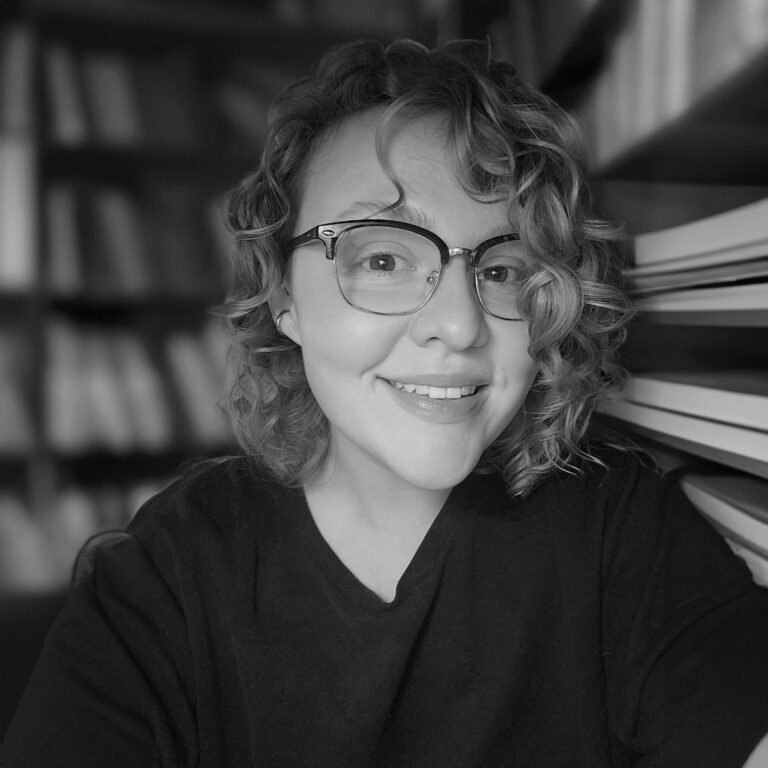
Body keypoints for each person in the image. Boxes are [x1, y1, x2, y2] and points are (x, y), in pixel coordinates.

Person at [3, 38, 768, 768]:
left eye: (503, 271)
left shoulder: (623, 532)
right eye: (381, 258)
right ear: (284, 298)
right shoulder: (166, 577)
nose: (459, 325)